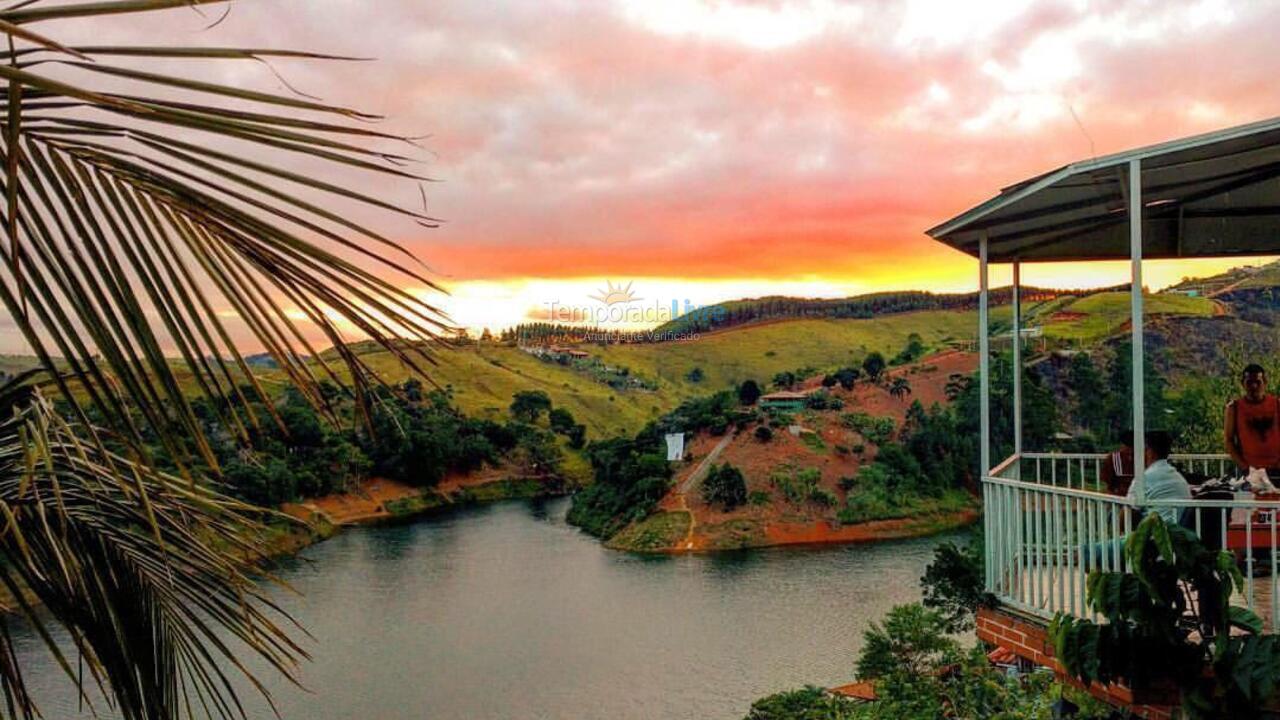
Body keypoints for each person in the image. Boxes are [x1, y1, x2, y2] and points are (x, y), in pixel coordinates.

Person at [1224, 363, 1280, 474]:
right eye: (1249, 382)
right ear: (1243, 384)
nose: (1254, 386)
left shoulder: (1277, 404)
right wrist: (1244, 467)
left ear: (1265, 383)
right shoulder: (1234, 408)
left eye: (1258, 382)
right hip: (1250, 471)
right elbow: (1229, 440)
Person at [1127, 429, 1191, 526]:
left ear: (1150, 451)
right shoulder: (1178, 478)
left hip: (1154, 536)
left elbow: (1126, 518)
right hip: (1177, 534)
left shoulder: (1144, 478)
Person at [1100, 429, 1135, 495]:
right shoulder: (1114, 458)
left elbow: (1106, 482)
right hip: (1119, 495)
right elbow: (1107, 483)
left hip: (1121, 496)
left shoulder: (1113, 457)